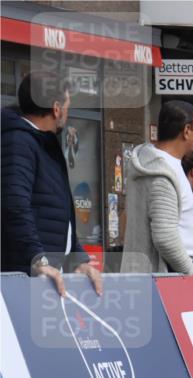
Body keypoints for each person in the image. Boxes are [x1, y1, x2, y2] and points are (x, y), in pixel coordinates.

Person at [2, 71, 102, 295]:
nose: (67, 111)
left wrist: (78, 259)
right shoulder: (19, 141)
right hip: (25, 281)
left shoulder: (44, 144)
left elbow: (59, 214)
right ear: (56, 108)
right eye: (67, 105)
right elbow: (14, 205)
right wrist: (38, 259)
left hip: (46, 276)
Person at [122, 100, 193, 275]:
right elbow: (165, 237)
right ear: (187, 130)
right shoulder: (162, 173)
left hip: (155, 273)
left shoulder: (153, 164)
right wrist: (190, 271)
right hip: (167, 275)